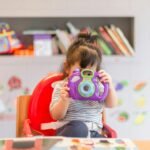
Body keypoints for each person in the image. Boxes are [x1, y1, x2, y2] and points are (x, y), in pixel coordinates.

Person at [50, 33, 118, 138]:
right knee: (79, 127)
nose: (84, 77)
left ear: (96, 71)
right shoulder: (62, 87)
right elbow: (56, 115)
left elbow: (111, 104)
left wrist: (109, 86)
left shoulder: (97, 86)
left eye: (89, 72)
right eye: (81, 71)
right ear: (67, 68)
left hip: (94, 133)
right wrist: (64, 101)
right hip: (71, 132)